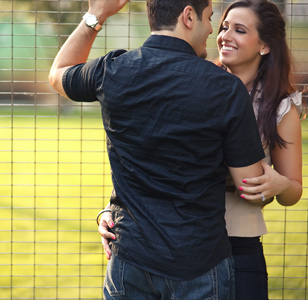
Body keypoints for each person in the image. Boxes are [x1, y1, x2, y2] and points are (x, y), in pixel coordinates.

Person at [48, 0, 267, 298]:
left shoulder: (112, 71)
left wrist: (96, 14)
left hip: (130, 260)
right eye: (208, 18)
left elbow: (59, 73)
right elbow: (250, 184)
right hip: (201, 265)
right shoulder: (226, 88)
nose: (211, 29)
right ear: (188, 16)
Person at [97, 0, 303, 298]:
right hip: (170, 247)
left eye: (240, 30)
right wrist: (112, 209)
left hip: (238, 249)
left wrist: (280, 184)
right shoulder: (190, 82)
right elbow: (147, 157)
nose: (224, 36)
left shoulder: (282, 108)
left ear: (265, 46)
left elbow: (293, 191)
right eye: (223, 27)